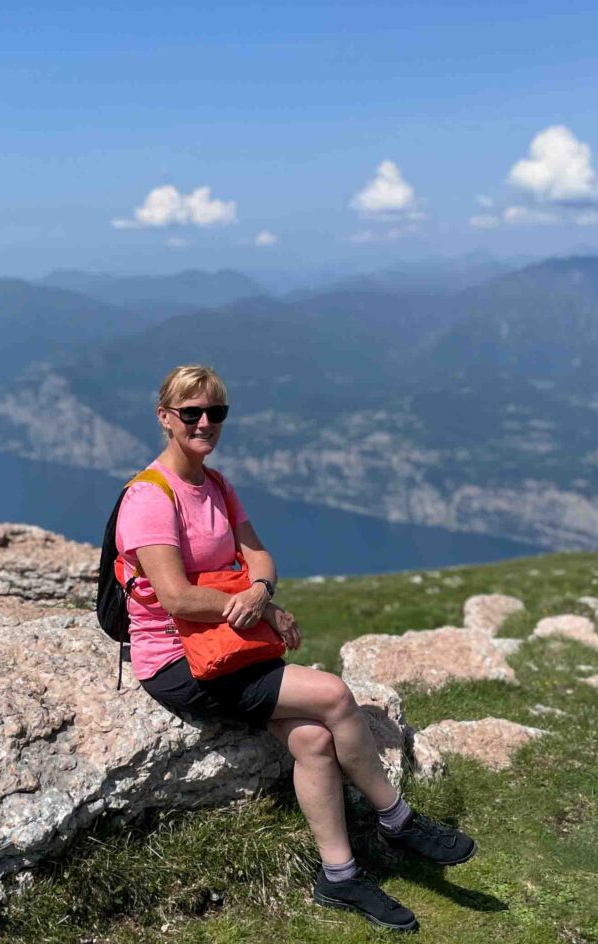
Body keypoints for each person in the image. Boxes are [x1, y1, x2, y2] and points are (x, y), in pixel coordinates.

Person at [116, 364, 476, 932]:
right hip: (179, 663)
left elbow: (260, 559)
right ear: (165, 419)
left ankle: (338, 876)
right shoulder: (150, 498)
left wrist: (261, 591)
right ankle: (396, 818)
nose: (205, 423)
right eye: (191, 413)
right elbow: (178, 598)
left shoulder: (215, 485)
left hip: (225, 644)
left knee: (310, 740)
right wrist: (258, 610)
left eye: (216, 412)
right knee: (334, 695)